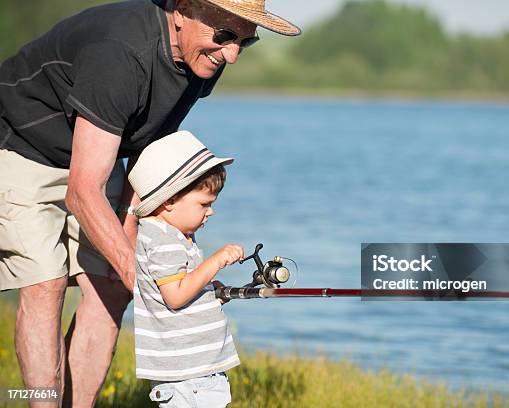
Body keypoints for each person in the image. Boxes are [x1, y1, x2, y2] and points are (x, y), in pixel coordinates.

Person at [0, 0, 299, 405]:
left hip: (95, 152)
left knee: (111, 285)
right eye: (225, 36)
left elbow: (150, 145)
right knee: (46, 285)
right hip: (19, 144)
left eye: (245, 42)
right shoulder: (121, 52)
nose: (232, 54)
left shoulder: (203, 57)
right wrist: (142, 275)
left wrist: (134, 244)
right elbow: (82, 191)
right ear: (181, 10)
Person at [129, 130, 243, 407]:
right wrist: (214, 262)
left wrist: (209, 292)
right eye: (204, 204)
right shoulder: (162, 239)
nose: (211, 211)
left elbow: (181, 286)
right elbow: (175, 295)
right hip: (187, 377)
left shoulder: (173, 234)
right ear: (168, 200)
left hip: (195, 370)